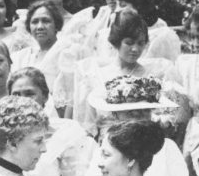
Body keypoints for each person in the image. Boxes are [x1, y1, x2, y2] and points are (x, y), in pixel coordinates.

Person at [71, 8, 175, 136]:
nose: (135, 49)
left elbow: (164, 117)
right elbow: (87, 125)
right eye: (129, 43)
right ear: (116, 42)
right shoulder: (96, 75)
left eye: (140, 43)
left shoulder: (153, 75)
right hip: (108, 144)